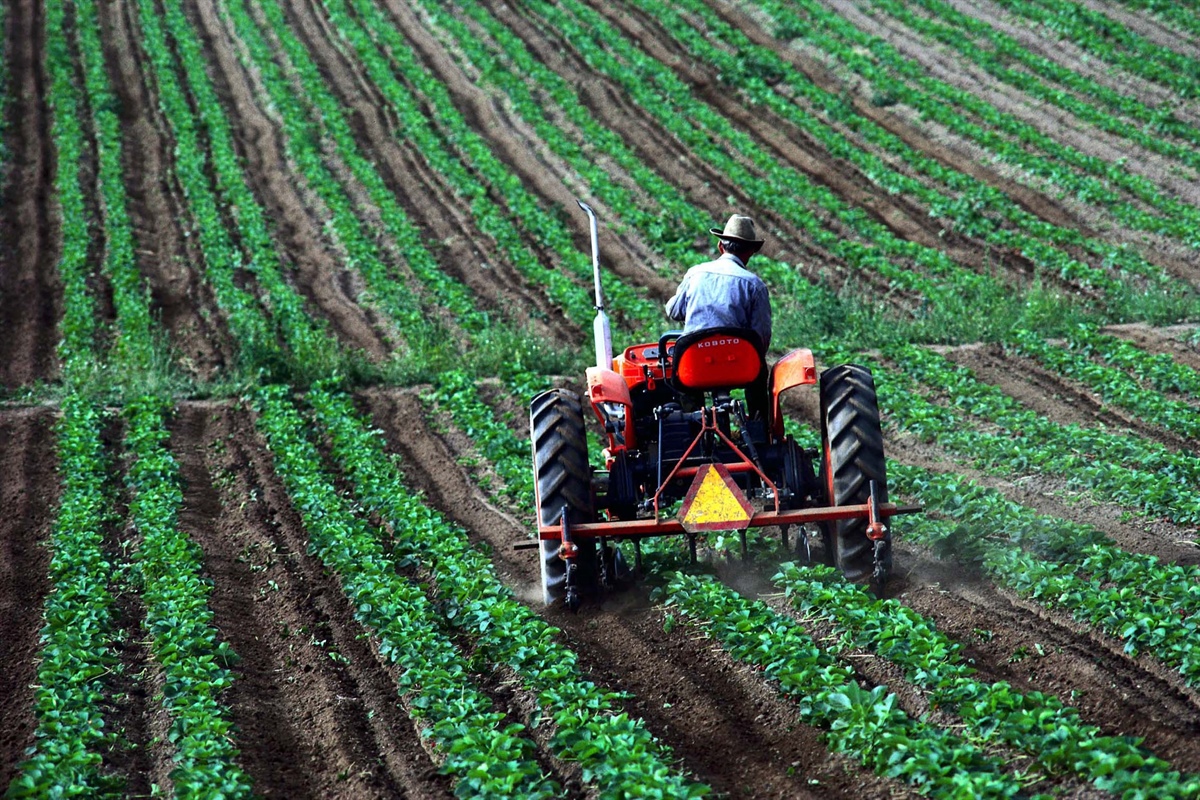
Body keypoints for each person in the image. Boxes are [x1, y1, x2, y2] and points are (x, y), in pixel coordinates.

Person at [665, 214, 772, 419]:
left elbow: (674, 311)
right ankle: (761, 429)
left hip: (695, 365)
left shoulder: (695, 274)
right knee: (759, 370)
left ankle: (693, 426)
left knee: (682, 378)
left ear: (720, 247)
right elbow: (761, 337)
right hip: (738, 367)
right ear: (750, 251)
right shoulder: (754, 285)